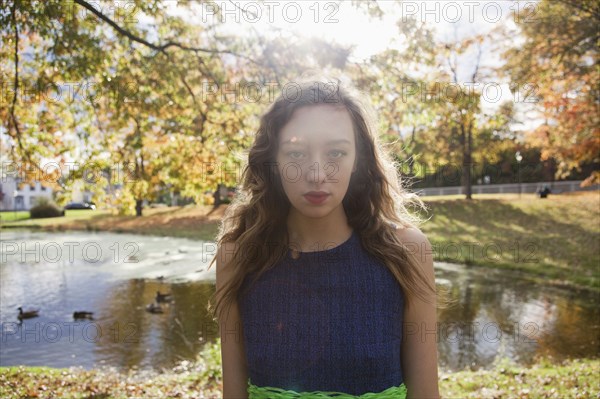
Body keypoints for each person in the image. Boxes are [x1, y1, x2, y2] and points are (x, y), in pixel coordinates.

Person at [208, 75, 442, 399]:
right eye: (296, 154)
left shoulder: (407, 252)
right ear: (272, 161)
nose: (317, 174)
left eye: (336, 153)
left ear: (357, 160)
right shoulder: (238, 256)